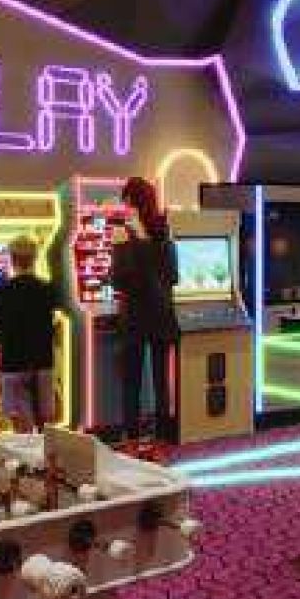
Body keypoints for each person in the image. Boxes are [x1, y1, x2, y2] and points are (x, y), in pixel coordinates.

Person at [107, 177, 180, 441]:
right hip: (162, 314)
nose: (124, 207)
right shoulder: (164, 230)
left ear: (132, 201)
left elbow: (118, 279)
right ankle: (162, 435)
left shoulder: (123, 233)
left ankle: (133, 437)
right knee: (161, 382)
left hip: (135, 315)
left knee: (132, 383)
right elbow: (173, 276)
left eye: (126, 202)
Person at [0, 234, 63, 434]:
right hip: (43, 363)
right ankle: (46, 454)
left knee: (22, 431)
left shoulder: (5, 291)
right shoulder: (46, 289)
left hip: (14, 364)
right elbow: (54, 316)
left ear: (12, 260)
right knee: (46, 426)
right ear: (35, 258)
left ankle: (28, 453)